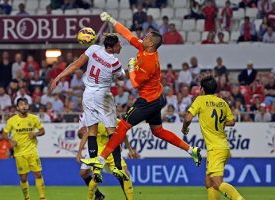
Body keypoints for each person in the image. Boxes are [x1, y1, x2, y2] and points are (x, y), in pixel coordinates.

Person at [81, 12, 202, 173]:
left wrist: (131, 68)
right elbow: (128, 35)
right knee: (158, 131)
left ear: (151, 43)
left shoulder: (150, 62)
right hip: (157, 97)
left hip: (148, 100)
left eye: (146, 37)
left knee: (122, 126)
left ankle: (101, 159)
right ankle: (191, 150)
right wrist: (112, 20)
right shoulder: (145, 49)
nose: (142, 38)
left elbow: (135, 83)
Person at [50, 34, 126, 182]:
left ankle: (95, 165)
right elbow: (121, 77)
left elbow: (76, 65)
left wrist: (59, 77)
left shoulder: (93, 49)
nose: (121, 46)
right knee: (112, 131)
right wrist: (125, 71)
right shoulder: (114, 61)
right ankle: (117, 166)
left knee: (92, 130)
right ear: (111, 47)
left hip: (88, 94)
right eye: (119, 45)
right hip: (103, 95)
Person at [181, 76, 245, 200]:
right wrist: (219, 123)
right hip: (223, 148)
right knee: (209, 183)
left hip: (215, 149)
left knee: (216, 182)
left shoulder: (200, 100)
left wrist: (184, 129)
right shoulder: (222, 102)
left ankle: (238, 198)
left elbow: (188, 118)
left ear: (202, 89)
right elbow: (232, 122)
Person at [77, 115, 138, 200]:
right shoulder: (96, 122)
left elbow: (123, 135)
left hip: (112, 152)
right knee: (95, 177)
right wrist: (79, 152)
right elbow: (86, 135)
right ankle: (92, 197)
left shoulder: (118, 122)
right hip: (99, 153)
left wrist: (130, 149)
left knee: (125, 174)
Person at [3, 98, 46, 200]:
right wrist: (10, 140)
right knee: (23, 178)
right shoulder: (12, 120)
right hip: (19, 153)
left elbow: (42, 131)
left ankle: (42, 197)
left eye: (25, 104)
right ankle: (27, 197)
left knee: (38, 174)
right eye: (21, 104)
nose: (24, 106)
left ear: (28, 106)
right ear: (17, 107)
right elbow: (4, 134)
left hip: (32, 151)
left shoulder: (34, 118)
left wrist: (35, 133)